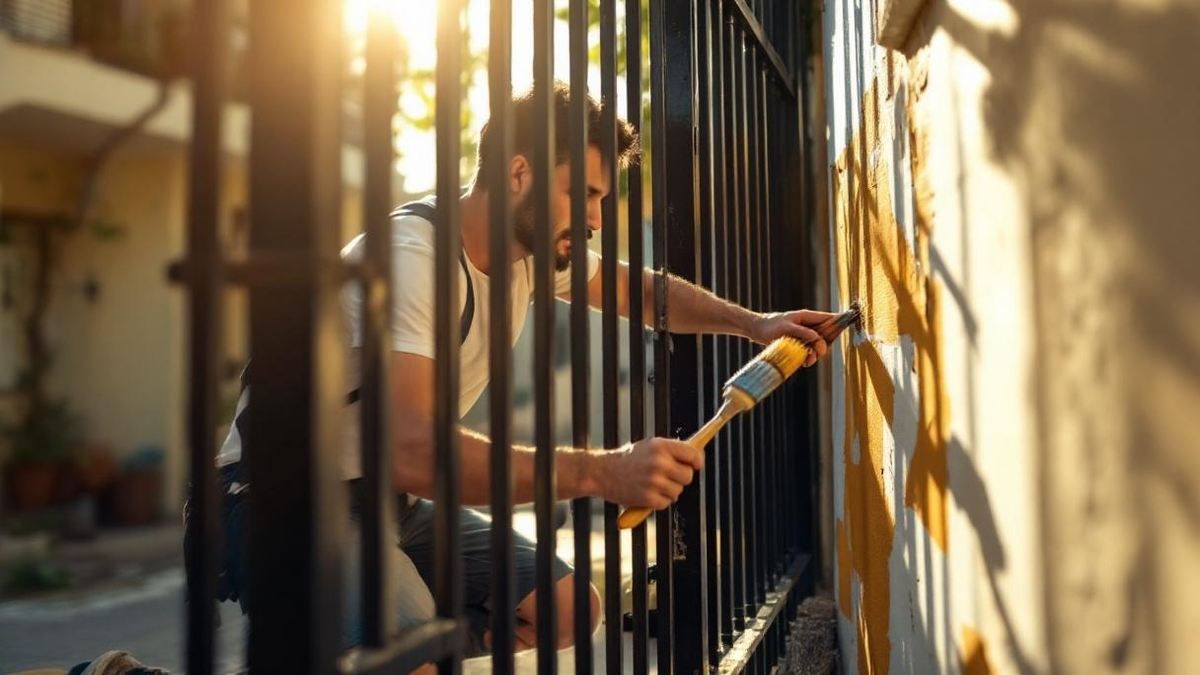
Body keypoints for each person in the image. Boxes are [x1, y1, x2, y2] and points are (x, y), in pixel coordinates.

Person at [193, 83, 833, 666]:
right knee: (412, 655)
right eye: (582, 193)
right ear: (518, 172)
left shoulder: (526, 253)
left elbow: (642, 293)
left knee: (566, 608)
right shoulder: (414, 257)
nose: (593, 219)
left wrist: (756, 324)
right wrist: (602, 471)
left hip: (389, 500)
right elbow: (414, 448)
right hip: (280, 500)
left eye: (602, 199)